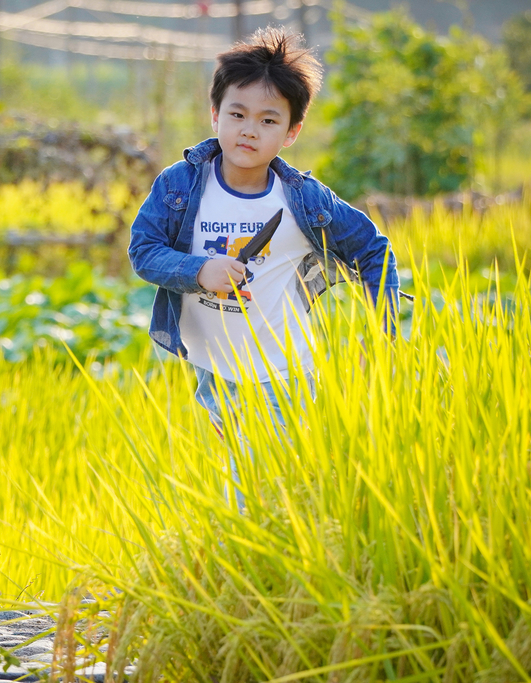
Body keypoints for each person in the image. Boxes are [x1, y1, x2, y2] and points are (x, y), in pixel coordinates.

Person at [128, 26, 399, 507]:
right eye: (237, 114)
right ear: (215, 115)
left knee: (258, 478)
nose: (249, 130)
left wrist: (384, 336)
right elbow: (143, 251)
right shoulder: (181, 184)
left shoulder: (302, 199)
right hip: (216, 368)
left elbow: (373, 251)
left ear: (292, 132)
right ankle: (275, 551)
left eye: (268, 120)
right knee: (263, 474)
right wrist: (198, 270)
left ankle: (250, 561)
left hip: (282, 367)